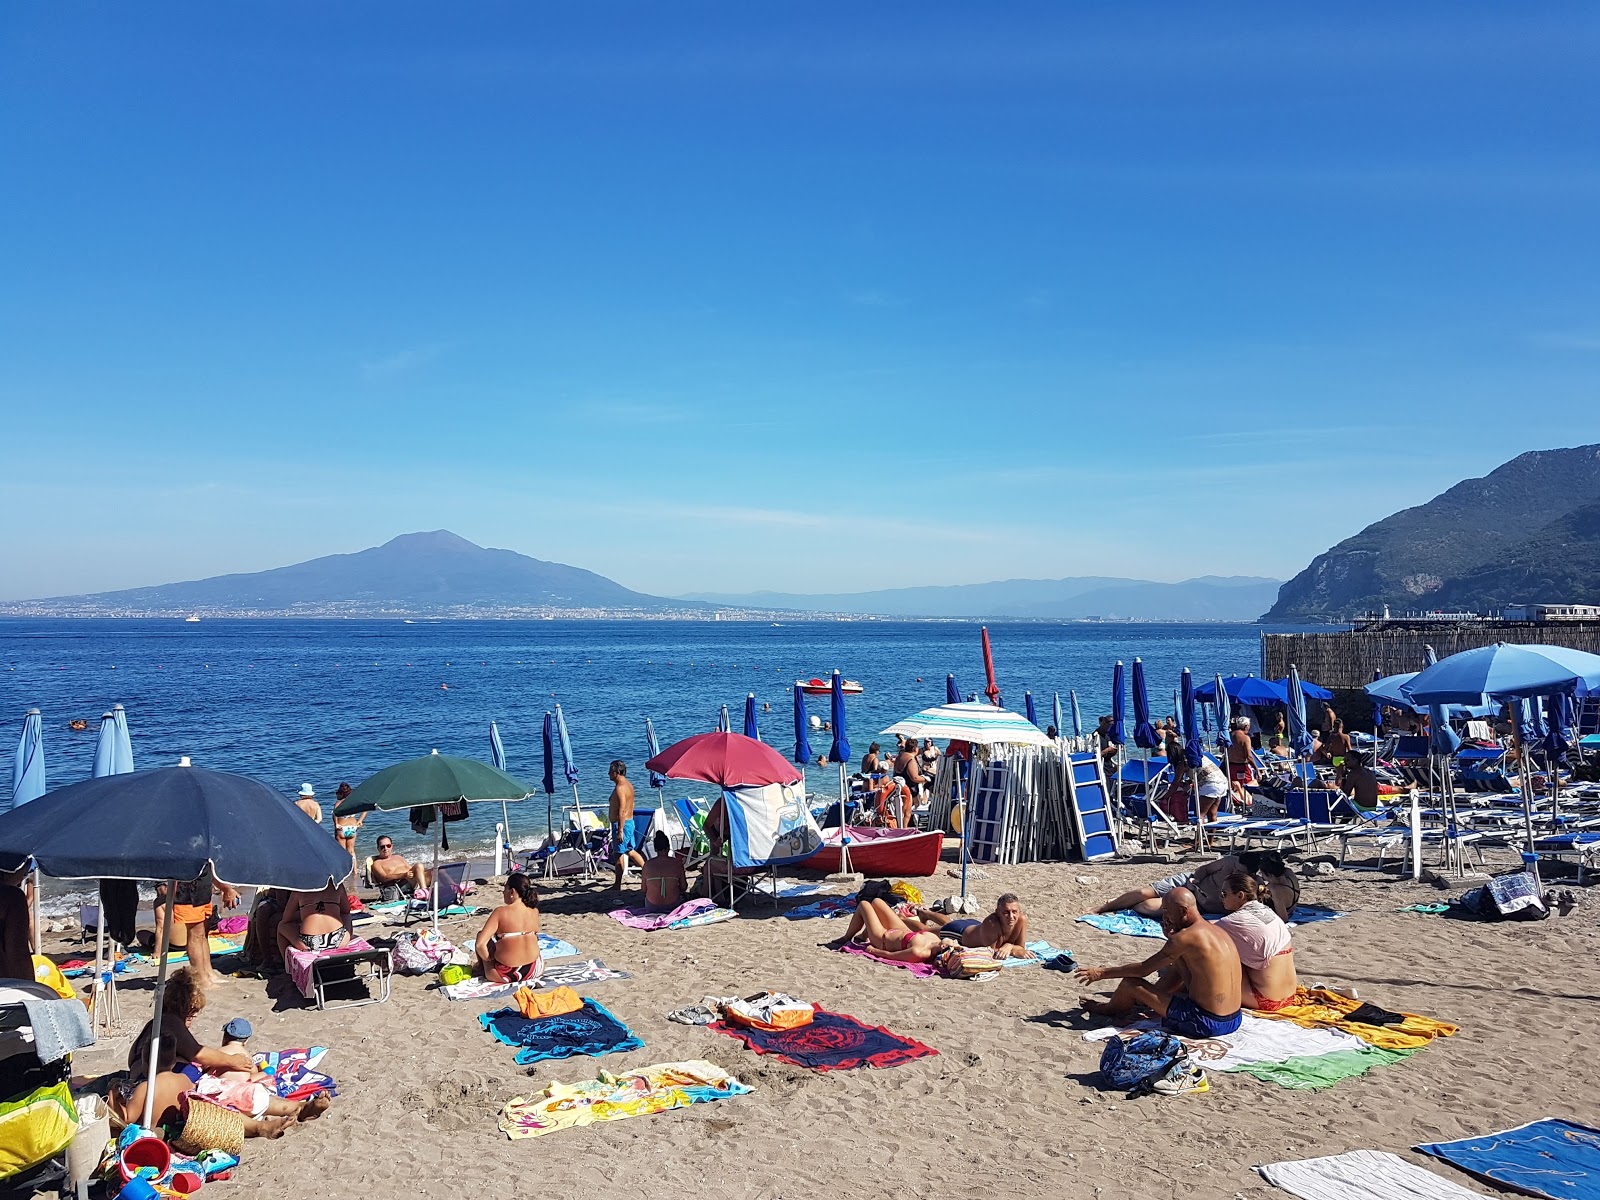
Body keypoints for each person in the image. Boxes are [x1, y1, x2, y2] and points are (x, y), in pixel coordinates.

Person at [117, 969, 328, 1138]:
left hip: (149, 1093)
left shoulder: (153, 1026)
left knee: (226, 1093)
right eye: (193, 1013)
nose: (192, 1019)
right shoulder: (171, 1021)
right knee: (223, 1096)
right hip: (171, 1095)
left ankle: (298, 1109)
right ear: (187, 1007)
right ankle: (272, 1120)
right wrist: (232, 1061)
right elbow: (199, 1054)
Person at [1077, 887, 1243, 1038]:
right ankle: (1147, 1002)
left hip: (1204, 1022)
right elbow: (1183, 974)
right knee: (1178, 966)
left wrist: (1101, 973)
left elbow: (1143, 970)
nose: (1164, 917)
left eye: (1166, 911)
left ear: (1183, 911)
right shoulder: (1217, 930)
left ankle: (1107, 1009)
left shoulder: (1185, 937)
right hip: (1234, 1019)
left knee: (1130, 984)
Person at [1096, 851, 1298, 920]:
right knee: (1142, 892)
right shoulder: (1228, 861)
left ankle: (1124, 906)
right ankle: (1105, 906)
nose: (1235, 873)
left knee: (1146, 906)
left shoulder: (1252, 885)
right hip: (1192, 883)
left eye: (1240, 872)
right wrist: (1196, 880)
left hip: (1200, 902)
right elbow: (1203, 869)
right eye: (1235, 868)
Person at [1214, 869, 1298, 1011]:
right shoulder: (1268, 912)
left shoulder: (1235, 921)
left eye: (1224, 894)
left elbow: (1202, 932)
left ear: (1240, 895)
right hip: (1290, 995)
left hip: (1264, 1000)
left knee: (1210, 950)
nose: (1221, 898)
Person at [155, 868, 238, 991]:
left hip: (202, 887)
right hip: (188, 890)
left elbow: (210, 866)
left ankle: (208, 972)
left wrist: (225, 888)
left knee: (204, 932)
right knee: (195, 933)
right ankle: (200, 978)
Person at [912, 893, 1035, 960]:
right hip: (960, 933)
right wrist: (1010, 949)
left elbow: (1021, 946)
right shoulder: (992, 924)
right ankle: (902, 919)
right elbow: (990, 952)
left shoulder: (1022, 920)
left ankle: (925, 913)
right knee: (926, 931)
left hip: (975, 926)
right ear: (997, 912)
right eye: (1006, 912)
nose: (1011, 916)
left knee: (949, 922)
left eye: (1015, 912)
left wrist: (1009, 946)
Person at [473, 873, 542, 984]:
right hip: (534, 969)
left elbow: (480, 945)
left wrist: (488, 959)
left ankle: (481, 968)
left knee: (480, 936)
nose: (503, 892)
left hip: (507, 974)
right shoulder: (534, 911)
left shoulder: (500, 912)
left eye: (505, 888)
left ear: (512, 891)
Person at [840, 898, 945, 965]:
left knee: (864, 905)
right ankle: (863, 935)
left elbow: (891, 956)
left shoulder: (919, 952)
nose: (954, 942)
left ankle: (846, 938)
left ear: (944, 948)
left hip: (883, 939)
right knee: (877, 901)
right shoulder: (935, 940)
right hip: (901, 930)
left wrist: (873, 951)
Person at [275, 880, 351, 962]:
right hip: (339, 939)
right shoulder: (337, 885)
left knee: (281, 926)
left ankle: (287, 967)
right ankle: (348, 944)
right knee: (347, 915)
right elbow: (346, 911)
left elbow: (286, 918)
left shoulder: (300, 889)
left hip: (310, 942)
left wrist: (305, 914)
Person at [608, 760, 646, 889]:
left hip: (622, 824)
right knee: (630, 851)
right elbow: (632, 805)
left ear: (617, 772)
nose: (608, 773)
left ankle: (617, 884)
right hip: (629, 822)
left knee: (618, 854)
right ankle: (647, 871)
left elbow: (622, 809)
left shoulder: (620, 788)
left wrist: (620, 830)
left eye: (610, 771)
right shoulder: (629, 785)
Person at [369, 835, 428, 901]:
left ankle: (425, 891)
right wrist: (404, 875)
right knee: (419, 865)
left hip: (413, 880)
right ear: (378, 848)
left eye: (388, 846)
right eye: (382, 847)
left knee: (434, 871)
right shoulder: (377, 863)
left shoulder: (398, 857)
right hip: (402, 884)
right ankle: (425, 892)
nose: (385, 848)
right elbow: (384, 878)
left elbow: (411, 869)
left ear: (392, 846)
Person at [0, 863, 33, 981]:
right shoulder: (11, 896)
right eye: (25, 872)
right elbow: (17, 950)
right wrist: (29, 987)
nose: (24, 876)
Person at [640, 831, 688, 912]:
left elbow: (643, 889)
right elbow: (683, 887)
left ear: (655, 849)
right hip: (673, 906)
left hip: (652, 906)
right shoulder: (677, 863)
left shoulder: (647, 865)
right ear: (668, 847)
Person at [332, 782, 363, 867]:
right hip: (353, 828)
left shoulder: (339, 802)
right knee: (352, 851)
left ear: (341, 794)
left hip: (342, 828)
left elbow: (334, 813)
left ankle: (344, 871)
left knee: (342, 852)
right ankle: (355, 871)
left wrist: (336, 824)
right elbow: (365, 809)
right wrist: (360, 820)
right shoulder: (353, 802)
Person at [1227, 716, 1255, 809]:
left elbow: (1222, 749)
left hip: (1231, 766)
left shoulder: (1229, 735)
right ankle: (1247, 805)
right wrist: (1257, 769)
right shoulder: (1245, 738)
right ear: (1246, 726)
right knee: (1249, 786)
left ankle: (1236, 802)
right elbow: (1249, 756)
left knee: (1234, 787)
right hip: (1242, 766)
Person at [1097, 715, 1119, 780]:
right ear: (1104, 723)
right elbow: (1095, 756)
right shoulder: (1096, 737)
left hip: (1109, 766)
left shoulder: (1108, 735)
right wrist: (1107, 750)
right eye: (1110, 725)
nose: (1111, 728)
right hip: (1101, 768)